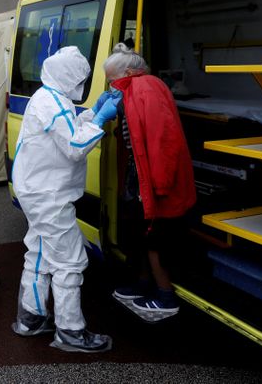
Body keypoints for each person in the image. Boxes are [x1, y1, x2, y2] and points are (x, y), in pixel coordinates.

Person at [11, 46, 119, 353]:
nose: (81, 84)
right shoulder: (54, 103)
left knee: (40, 255)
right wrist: (100, 118)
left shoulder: (48, 97)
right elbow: (74, 145)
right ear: (69, 77)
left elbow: (66, 128)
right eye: (80, 78)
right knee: (70, 262)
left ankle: (30, 317)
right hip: (49, 196)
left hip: (36, 191)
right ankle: (71, 332)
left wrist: (90, 113)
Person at [103, 45, 196, 322]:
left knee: (154, 236)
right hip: (140, 177)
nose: (111, 86)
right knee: (137, 233)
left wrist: (160, 185)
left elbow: (162, 140)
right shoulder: (134, 90)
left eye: (113, 80)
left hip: (154, 179)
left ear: (130, 73)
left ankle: (165, 295)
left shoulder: (146, 88)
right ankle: (144, 284)